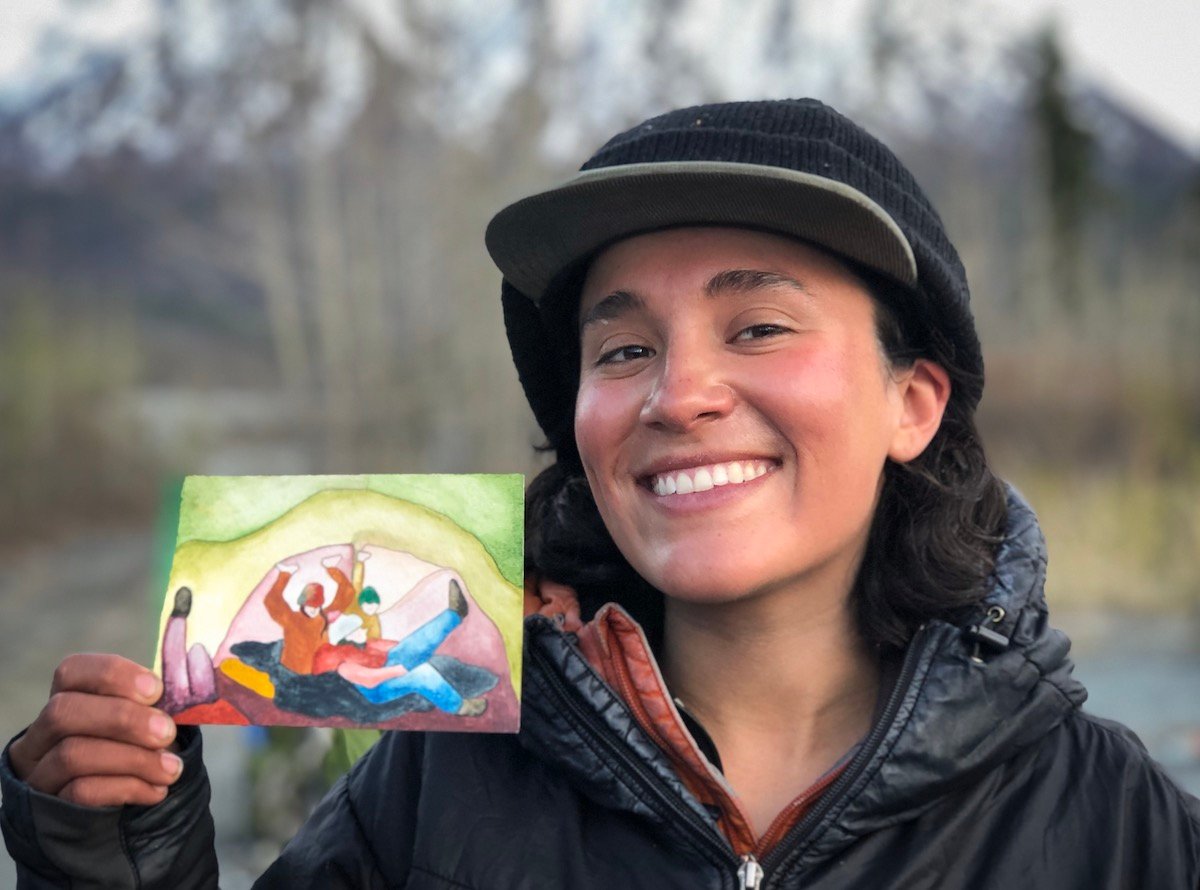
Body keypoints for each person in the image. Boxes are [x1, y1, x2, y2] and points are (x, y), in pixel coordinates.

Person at [3, 99, 1199, 888]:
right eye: (621, 349)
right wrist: (116, 848)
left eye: (761, 324)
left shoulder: (1106, 820)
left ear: (914, 403)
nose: (678, 393)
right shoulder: (436, 787)